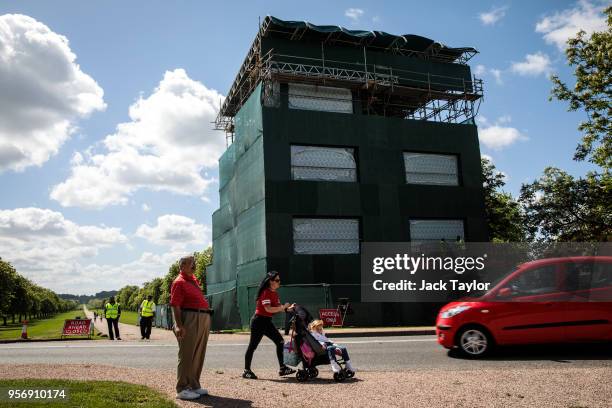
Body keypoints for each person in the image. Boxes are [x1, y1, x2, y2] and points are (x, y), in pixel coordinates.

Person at [170, 255, 212, 400]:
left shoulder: (193, 280)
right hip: (190, 319)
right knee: (187, 354)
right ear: (182, 266)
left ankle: (193, 384)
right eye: (190, 263)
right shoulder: (179, 282)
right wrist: (179, 325)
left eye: (194, 263)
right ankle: (181, 388)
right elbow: (175, 305)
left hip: (202, 318)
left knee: (198, 354)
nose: (194, 265)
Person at [242, 271, 296, 379]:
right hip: (258, 322)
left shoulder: (274, 293)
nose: (279, 282)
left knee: (280, 341)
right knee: (252, 346)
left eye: (279, 280)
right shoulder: (266, 292)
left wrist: (288, 308)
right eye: (277, 280)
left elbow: (279, 307)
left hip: (266, 321)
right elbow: (268, 309)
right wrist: (282, 307)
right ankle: (246, 371)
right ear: (270, 281)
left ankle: (282, 368)